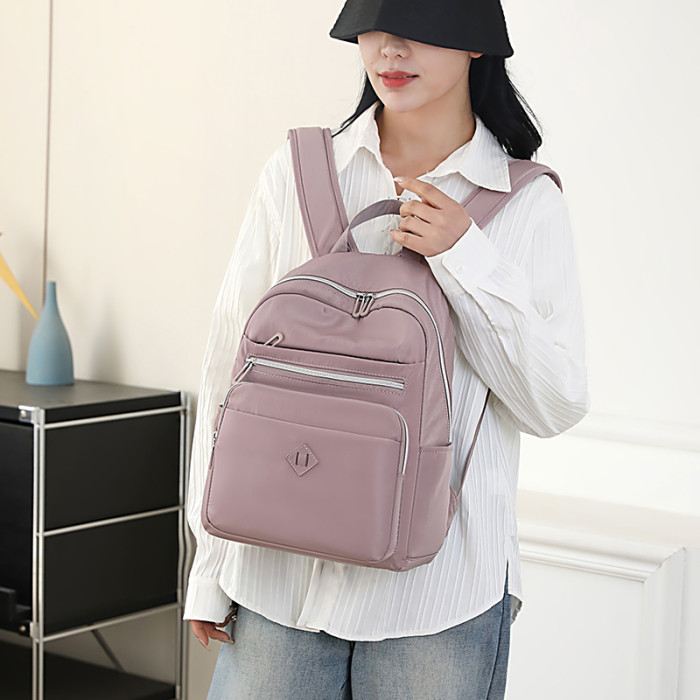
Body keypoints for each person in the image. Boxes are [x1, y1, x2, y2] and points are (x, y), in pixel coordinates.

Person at [184, 0, 590, 697]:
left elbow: (554, 404)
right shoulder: (301, 172)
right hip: (278, 580)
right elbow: (229, 368)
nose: (391, 48)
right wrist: (211, 565)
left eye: (421, 26)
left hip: (439, 597)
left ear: (475, 44)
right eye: (375, 26)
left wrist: (466, 257)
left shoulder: (524, 203)